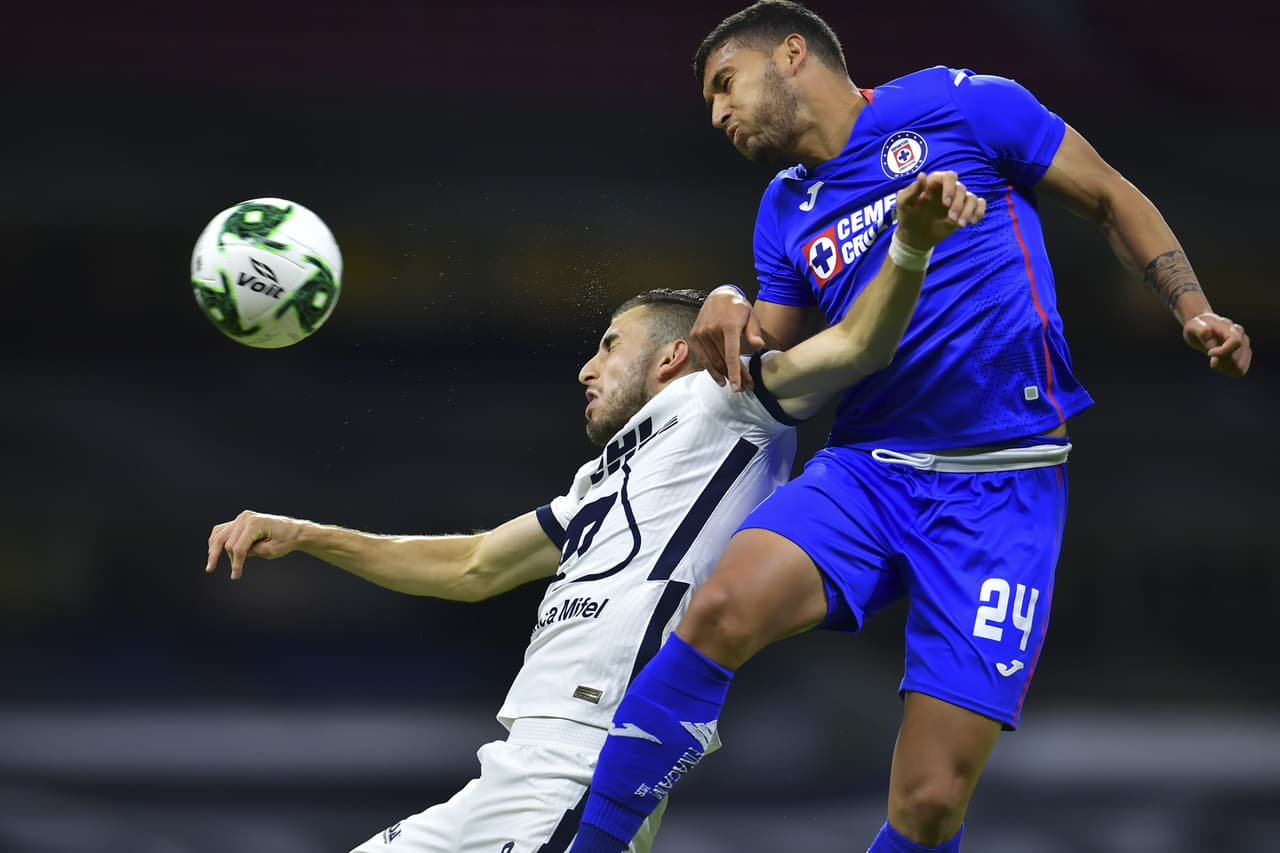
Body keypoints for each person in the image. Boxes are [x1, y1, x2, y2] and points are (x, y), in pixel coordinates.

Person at [567, 3, 1254, 853]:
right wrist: (730, 299)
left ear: (792, 53)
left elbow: (1110, 195)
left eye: (725, 84)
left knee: (929, 803)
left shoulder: (959, 104)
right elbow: (772, 357)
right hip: (869, 470)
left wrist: (1191, 307)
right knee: (719, 610)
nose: (717, 114)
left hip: (1003, 483)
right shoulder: (785, 207)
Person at [202, 172, 983, 853]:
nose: (586, 367)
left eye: (609, 345)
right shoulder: (598, 481)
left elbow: (855, 346)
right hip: (509, 768)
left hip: (587, 765)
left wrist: (909, 243)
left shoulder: (731, 404)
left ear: (672, 356)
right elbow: (472, 565)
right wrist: (309, 535)